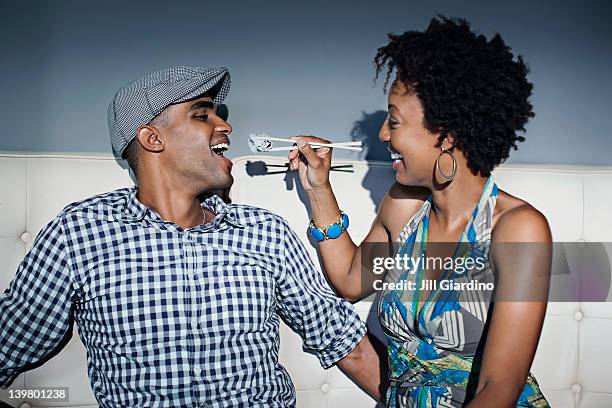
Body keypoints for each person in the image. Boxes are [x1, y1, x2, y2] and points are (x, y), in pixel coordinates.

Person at [0, 66, 384, 407]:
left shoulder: (265, 233)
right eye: (203, 114)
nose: (226, 126)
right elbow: (10, 341)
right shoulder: (80, 232)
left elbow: (344, 342)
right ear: (152, 139)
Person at [287, 17, 552, 407]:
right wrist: (318, 188)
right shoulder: (404, 206)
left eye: (394, 120)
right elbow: (349, 280)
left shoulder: (518, 229)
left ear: (447, 136)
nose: (383, 135)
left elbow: (498, 388)